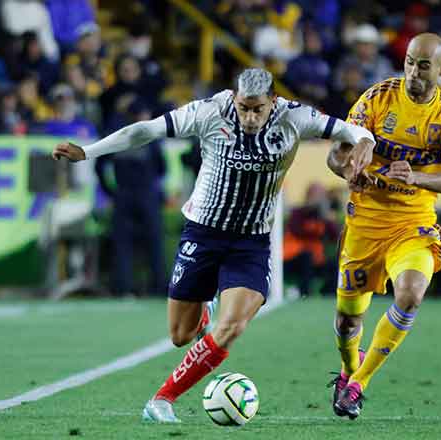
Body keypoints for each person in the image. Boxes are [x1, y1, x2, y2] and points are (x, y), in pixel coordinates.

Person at [52, 68, 375, 423]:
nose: (250, 117)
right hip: (202, 234)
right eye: (243, 108)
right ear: (234, 98)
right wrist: (88, 152)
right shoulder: (209, 111)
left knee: (232, 326)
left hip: (251, 243)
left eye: (258, 109)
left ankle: (162, 400)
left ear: (273, 102)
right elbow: (146, 130)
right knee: (180, 335)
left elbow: (354, 131)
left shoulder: (296, 117)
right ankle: (204, 306)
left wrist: (366, 143)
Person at [326, 33, 441, 419]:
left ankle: (359, 385)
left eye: (423, 66)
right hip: (365, 222)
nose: (413, 72)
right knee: (347, 320)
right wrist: (349, 171)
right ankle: (348, 368)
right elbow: (335, 156)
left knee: (410, 295)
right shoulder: (377, 98)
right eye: (409, 62)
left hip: (413, 223)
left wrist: (415, 177)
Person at [94, 100, 167, 296]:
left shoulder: (117, 138)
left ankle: (123, 287)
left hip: (123, 195)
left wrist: (109, 191)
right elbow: (162, 168)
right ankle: (158, 286)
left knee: (123, 244)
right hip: (146, 195)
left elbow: (99, 166)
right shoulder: (151, 138)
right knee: (153, 242)